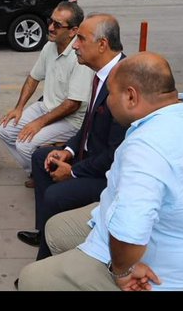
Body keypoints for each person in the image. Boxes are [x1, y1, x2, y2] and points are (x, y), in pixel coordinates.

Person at [17, 53, 183, 292]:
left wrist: (122, 271)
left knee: (31, 278)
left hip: (162, 272)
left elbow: (129, 232)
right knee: (57, 228)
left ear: (131, 96)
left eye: (110, 94)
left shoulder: (147, 147)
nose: (107, 101)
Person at [17, 14, 126, 258]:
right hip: (89, 157)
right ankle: (45, 230)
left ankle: (45, 261)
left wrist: (74, 171)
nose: (75, 45)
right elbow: (88, 124)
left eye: (81, 39)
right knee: (40, 158)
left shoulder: (122, 82)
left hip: (107, 174)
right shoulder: (100, 74)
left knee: (56, 195)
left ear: (102, 45)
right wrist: (68, 151)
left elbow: (115, 155)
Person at [0, 1, 91, 174]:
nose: (50, 27)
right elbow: (33, 78)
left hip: (71, 119)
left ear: (73, 31)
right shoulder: (50, 46)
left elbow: (73, 104)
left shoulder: (79, 55)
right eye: (50, 21)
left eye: (57, 24)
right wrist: (19, 108)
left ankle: (45, 175)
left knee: (24, 144)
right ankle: (37, 172)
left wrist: (38, 123)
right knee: (4, 129)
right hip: (46, 108)